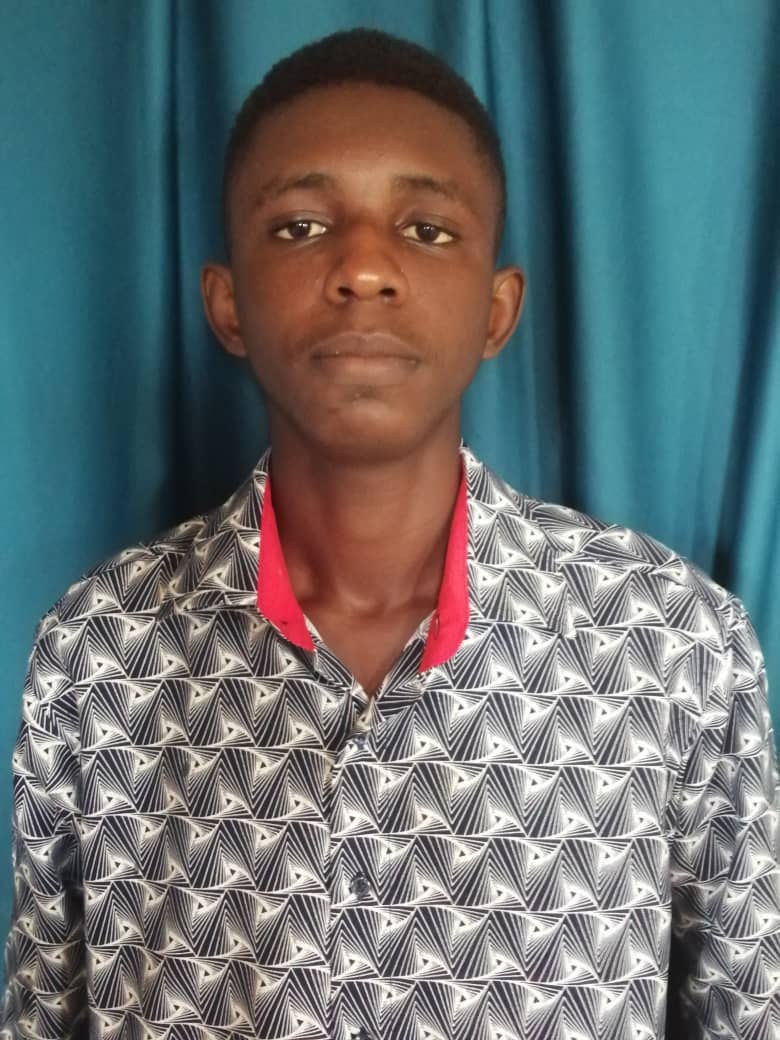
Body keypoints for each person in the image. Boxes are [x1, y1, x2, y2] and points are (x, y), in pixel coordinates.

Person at [2, 26, 778, 1040]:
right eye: (299, 227)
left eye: (427, 230)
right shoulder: (99, 653)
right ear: (226, 305)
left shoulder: (672, 646)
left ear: (497, 310)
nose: (364, 268)